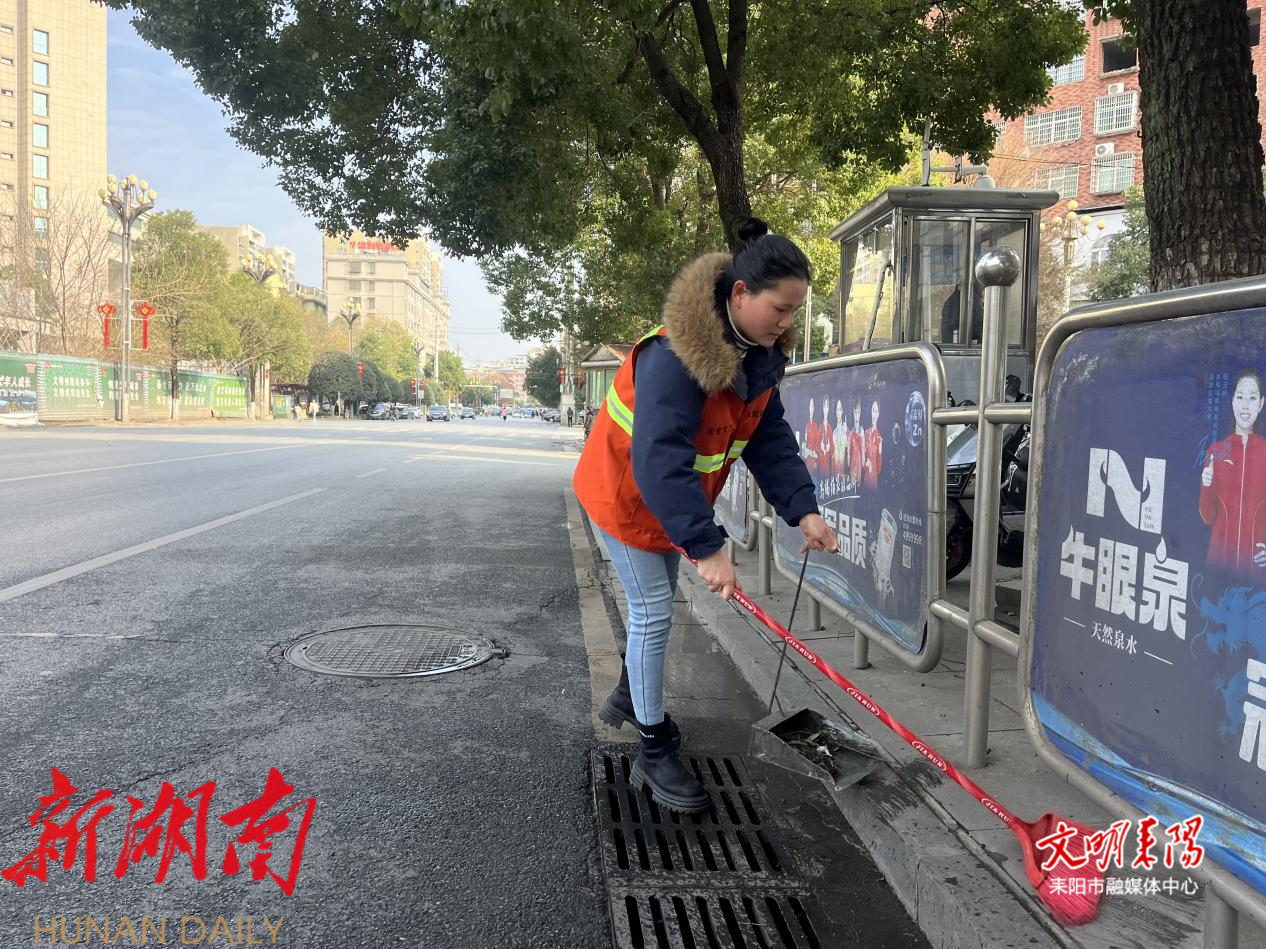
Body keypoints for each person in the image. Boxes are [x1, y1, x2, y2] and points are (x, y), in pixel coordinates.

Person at [573, 217, 838, 815]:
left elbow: (769, 438)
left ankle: (630, 693)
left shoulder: (759, 356)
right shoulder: (673, 357)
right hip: (626, 497)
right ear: (740, 294)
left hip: (670, 502)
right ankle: (653, 747)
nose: (787, 322)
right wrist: (707, 546)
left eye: (795, 311)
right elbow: (660, 461)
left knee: (654, 610)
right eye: (780, 308)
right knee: (653, 611)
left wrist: (803, 511)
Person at [1200, 369, 1266, 573]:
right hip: (1219, 563)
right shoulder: (1216, 451)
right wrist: (1206, 485)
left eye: (1252, 398)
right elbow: (1207, 516)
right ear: (1232, 402)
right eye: (1240, 397)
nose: (1245, 405)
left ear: (1261, 403)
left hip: (1255, 568)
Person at [864, 395, 883, 489]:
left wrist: (879, 450)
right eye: (873, 410)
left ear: (878, 414)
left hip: (873, 482)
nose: (874, 414)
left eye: (876, 411)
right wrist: (866, 463)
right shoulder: (866, 433)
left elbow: (879, 469)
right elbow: (861, 460)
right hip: (865, 480)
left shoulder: (879, 438)